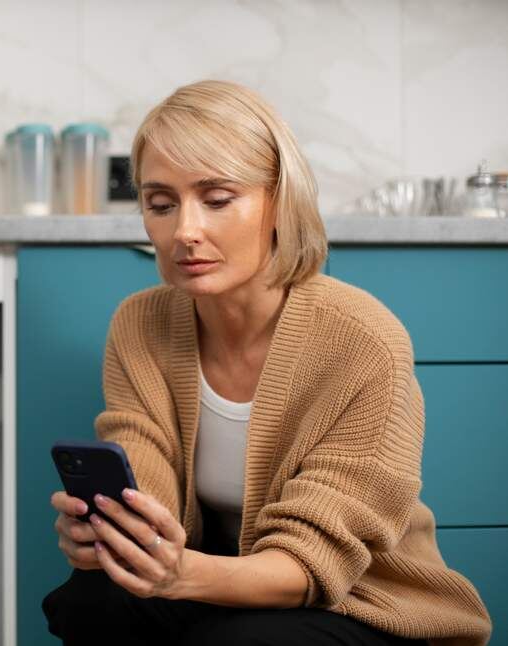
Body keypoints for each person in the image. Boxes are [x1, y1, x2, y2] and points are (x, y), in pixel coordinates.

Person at [42, 80, 491, 646]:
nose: (184, 231)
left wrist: (179, 574)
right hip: (219, 581)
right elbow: (145, 474)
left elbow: (312, 563)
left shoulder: (363, 341)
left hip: (360, 601)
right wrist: (122, 535)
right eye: (160, 204)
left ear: (280, 201)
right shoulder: (140, 324)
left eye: (217, 199)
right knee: (89, 600)